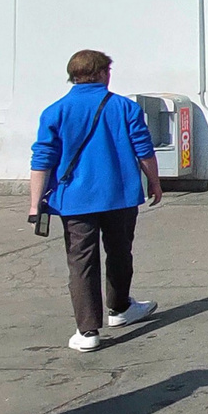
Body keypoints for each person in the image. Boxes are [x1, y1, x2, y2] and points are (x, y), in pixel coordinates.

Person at [28, 49, 163, 352]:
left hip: (74, 200)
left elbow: (42, 159)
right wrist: (154, 183)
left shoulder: (55, 111)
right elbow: (143, 149)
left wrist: (35, 203)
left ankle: (87, 331)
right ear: (103, 73)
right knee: (119, 252)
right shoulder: (124, 108)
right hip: (120, 195)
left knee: (81, 262)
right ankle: (119, 308)